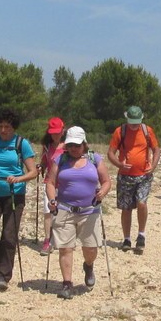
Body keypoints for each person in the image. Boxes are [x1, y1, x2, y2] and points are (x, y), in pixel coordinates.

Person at [44, 126, 112, 299]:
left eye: (77, 145)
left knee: (90, 248)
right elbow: (50, 182)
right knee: (65, 248)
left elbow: (106, 181)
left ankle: (88, 265)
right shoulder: (60, 159)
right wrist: (52, 200)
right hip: (65, 209)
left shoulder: (95, 159)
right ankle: (67, 284)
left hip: (90, 210)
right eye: (70, 145)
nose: (73, 148)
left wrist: (103, 192)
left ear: (84, 144)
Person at [0, 108, 38, 292]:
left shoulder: (22, 144)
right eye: (0, 126)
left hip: (15, 193)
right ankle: (0, 264)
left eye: (7, 126)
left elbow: (33, 172)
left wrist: (18, 179)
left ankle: (2, 276)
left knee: (8, 235)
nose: (3, 130)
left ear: (13, 127)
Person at [107, 105, 160, 255]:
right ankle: (127, 239)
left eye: (136, 122)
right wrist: (119, 164)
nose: (134, 125)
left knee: (142, 203)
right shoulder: (120, 131)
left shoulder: (147, 131)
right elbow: (110, 152)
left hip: (144, 176)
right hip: (125, 176)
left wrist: (154, 165)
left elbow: (156, 149)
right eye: (132, 122)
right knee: (126, 208)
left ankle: (141, 235)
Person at [38, 117, 65, 255]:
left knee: (63, 212)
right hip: (50, 183)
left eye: (58, 132)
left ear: (63, 131)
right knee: (48, 211)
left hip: (65, 183)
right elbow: (43, 161)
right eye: (53, 132)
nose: (55, 135)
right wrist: (40, 167)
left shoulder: (68, 146)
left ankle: (61, 238)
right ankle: (47, 240)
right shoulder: (47, 146)